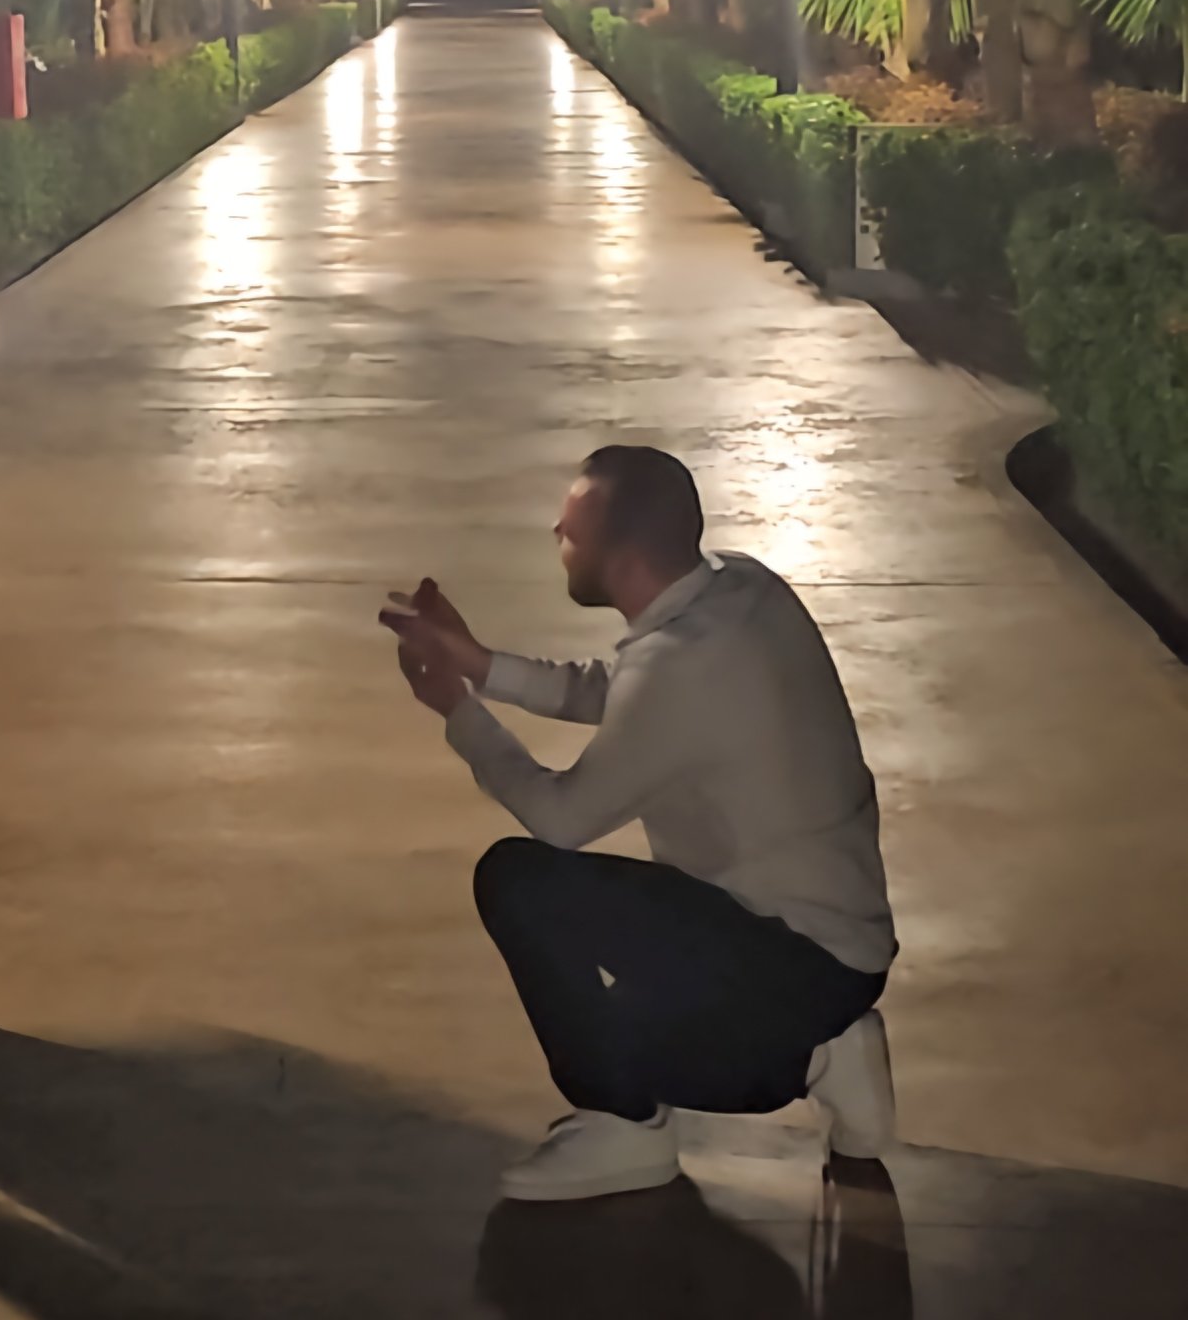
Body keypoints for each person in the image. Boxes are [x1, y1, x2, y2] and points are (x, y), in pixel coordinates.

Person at [383, 446, 897, 1202]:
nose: (556, 527)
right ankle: (833, 1051)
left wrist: (459, 713)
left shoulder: (677, 665)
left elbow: (562, 819)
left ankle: (634, 1125)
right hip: (832, 939)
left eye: (572, 528)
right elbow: (623, 688)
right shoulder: (740, 588)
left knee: (522, 882)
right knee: (618, 997)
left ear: (621, 559)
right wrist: (481, 664)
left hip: (788, 958)